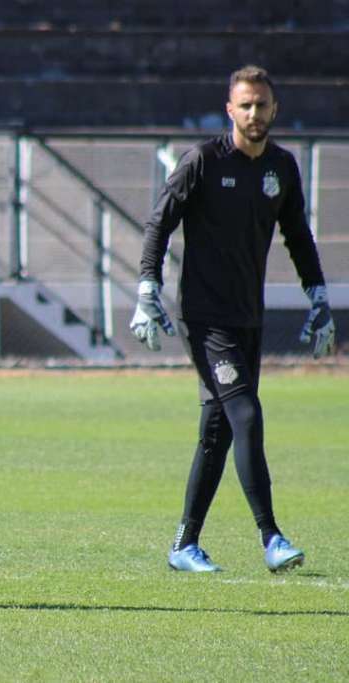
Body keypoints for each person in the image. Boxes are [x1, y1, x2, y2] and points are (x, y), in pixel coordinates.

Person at [131, 65, 336, 573]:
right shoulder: (202, 161)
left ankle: (184, 544)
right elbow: (160, 222)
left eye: (261, 104)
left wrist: (319, 296)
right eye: (244, 105)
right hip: (204, 319)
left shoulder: (282, 170)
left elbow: (298, 237)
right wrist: (146, 288)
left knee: (217, 432)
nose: (253, 113)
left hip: (248, 318)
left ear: (274, 109)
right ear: (230, 110)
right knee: (247, 415)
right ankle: (271, 537)